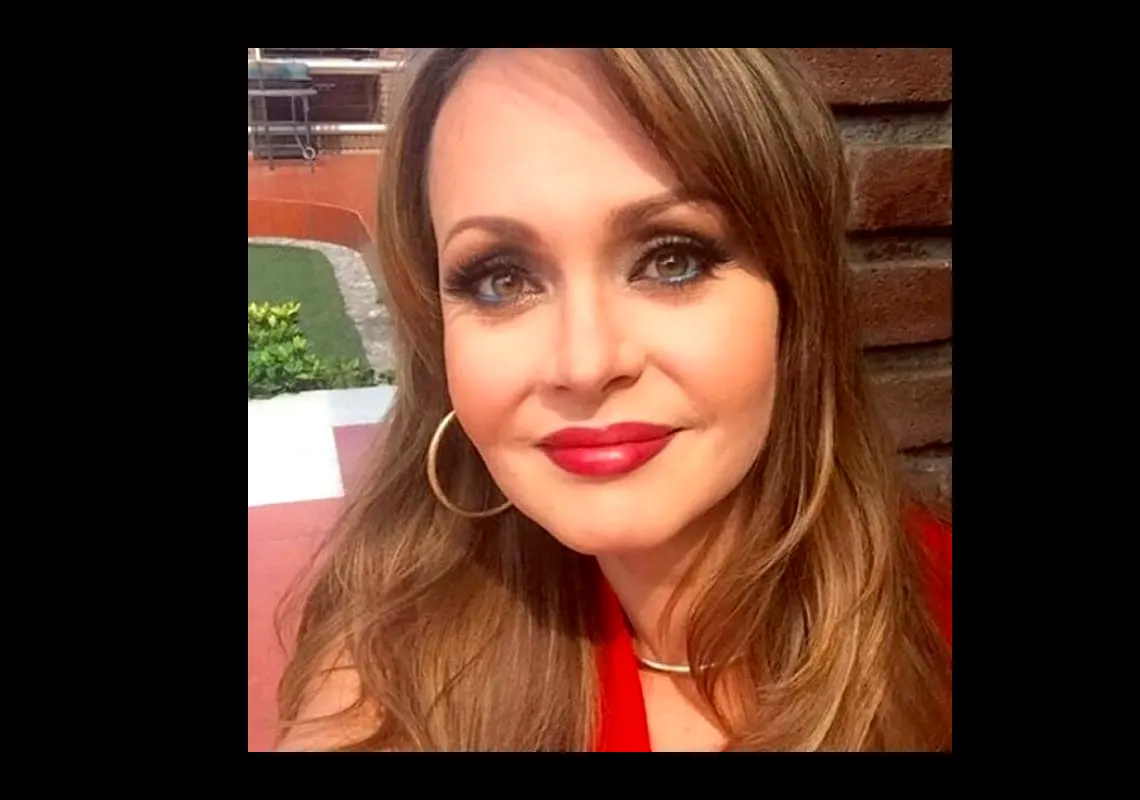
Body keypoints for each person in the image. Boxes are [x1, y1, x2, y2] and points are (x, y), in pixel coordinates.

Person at [274, 47, 952, 752]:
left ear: (795, 300)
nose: (586, 364)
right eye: (502, 279)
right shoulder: (384, 685)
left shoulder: (934, 633)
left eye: (671, 260)